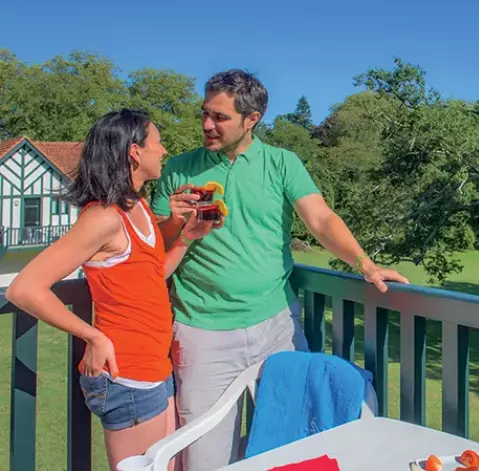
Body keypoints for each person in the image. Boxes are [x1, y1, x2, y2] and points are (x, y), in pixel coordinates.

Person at [150, 69, 409, 470]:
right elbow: (158, 246)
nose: (206, 125)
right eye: (205, 113)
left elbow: (320, 220)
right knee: (204, 455)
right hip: (202, 329)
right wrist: (177, 222)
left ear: (251, 119)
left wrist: (364, 263)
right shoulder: (180, 170)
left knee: (293, 444)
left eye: (219, 117)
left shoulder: (282, 163)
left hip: (276, 326)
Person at [4, 109, 217, 470]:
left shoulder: (139, 206)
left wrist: (185, 238)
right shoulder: (102, 218)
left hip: (155, 369)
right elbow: (24, 288)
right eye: (157, 142)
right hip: (127, 376)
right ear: (135, 152)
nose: (163, 150)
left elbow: (151, 276)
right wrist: (93, 336)